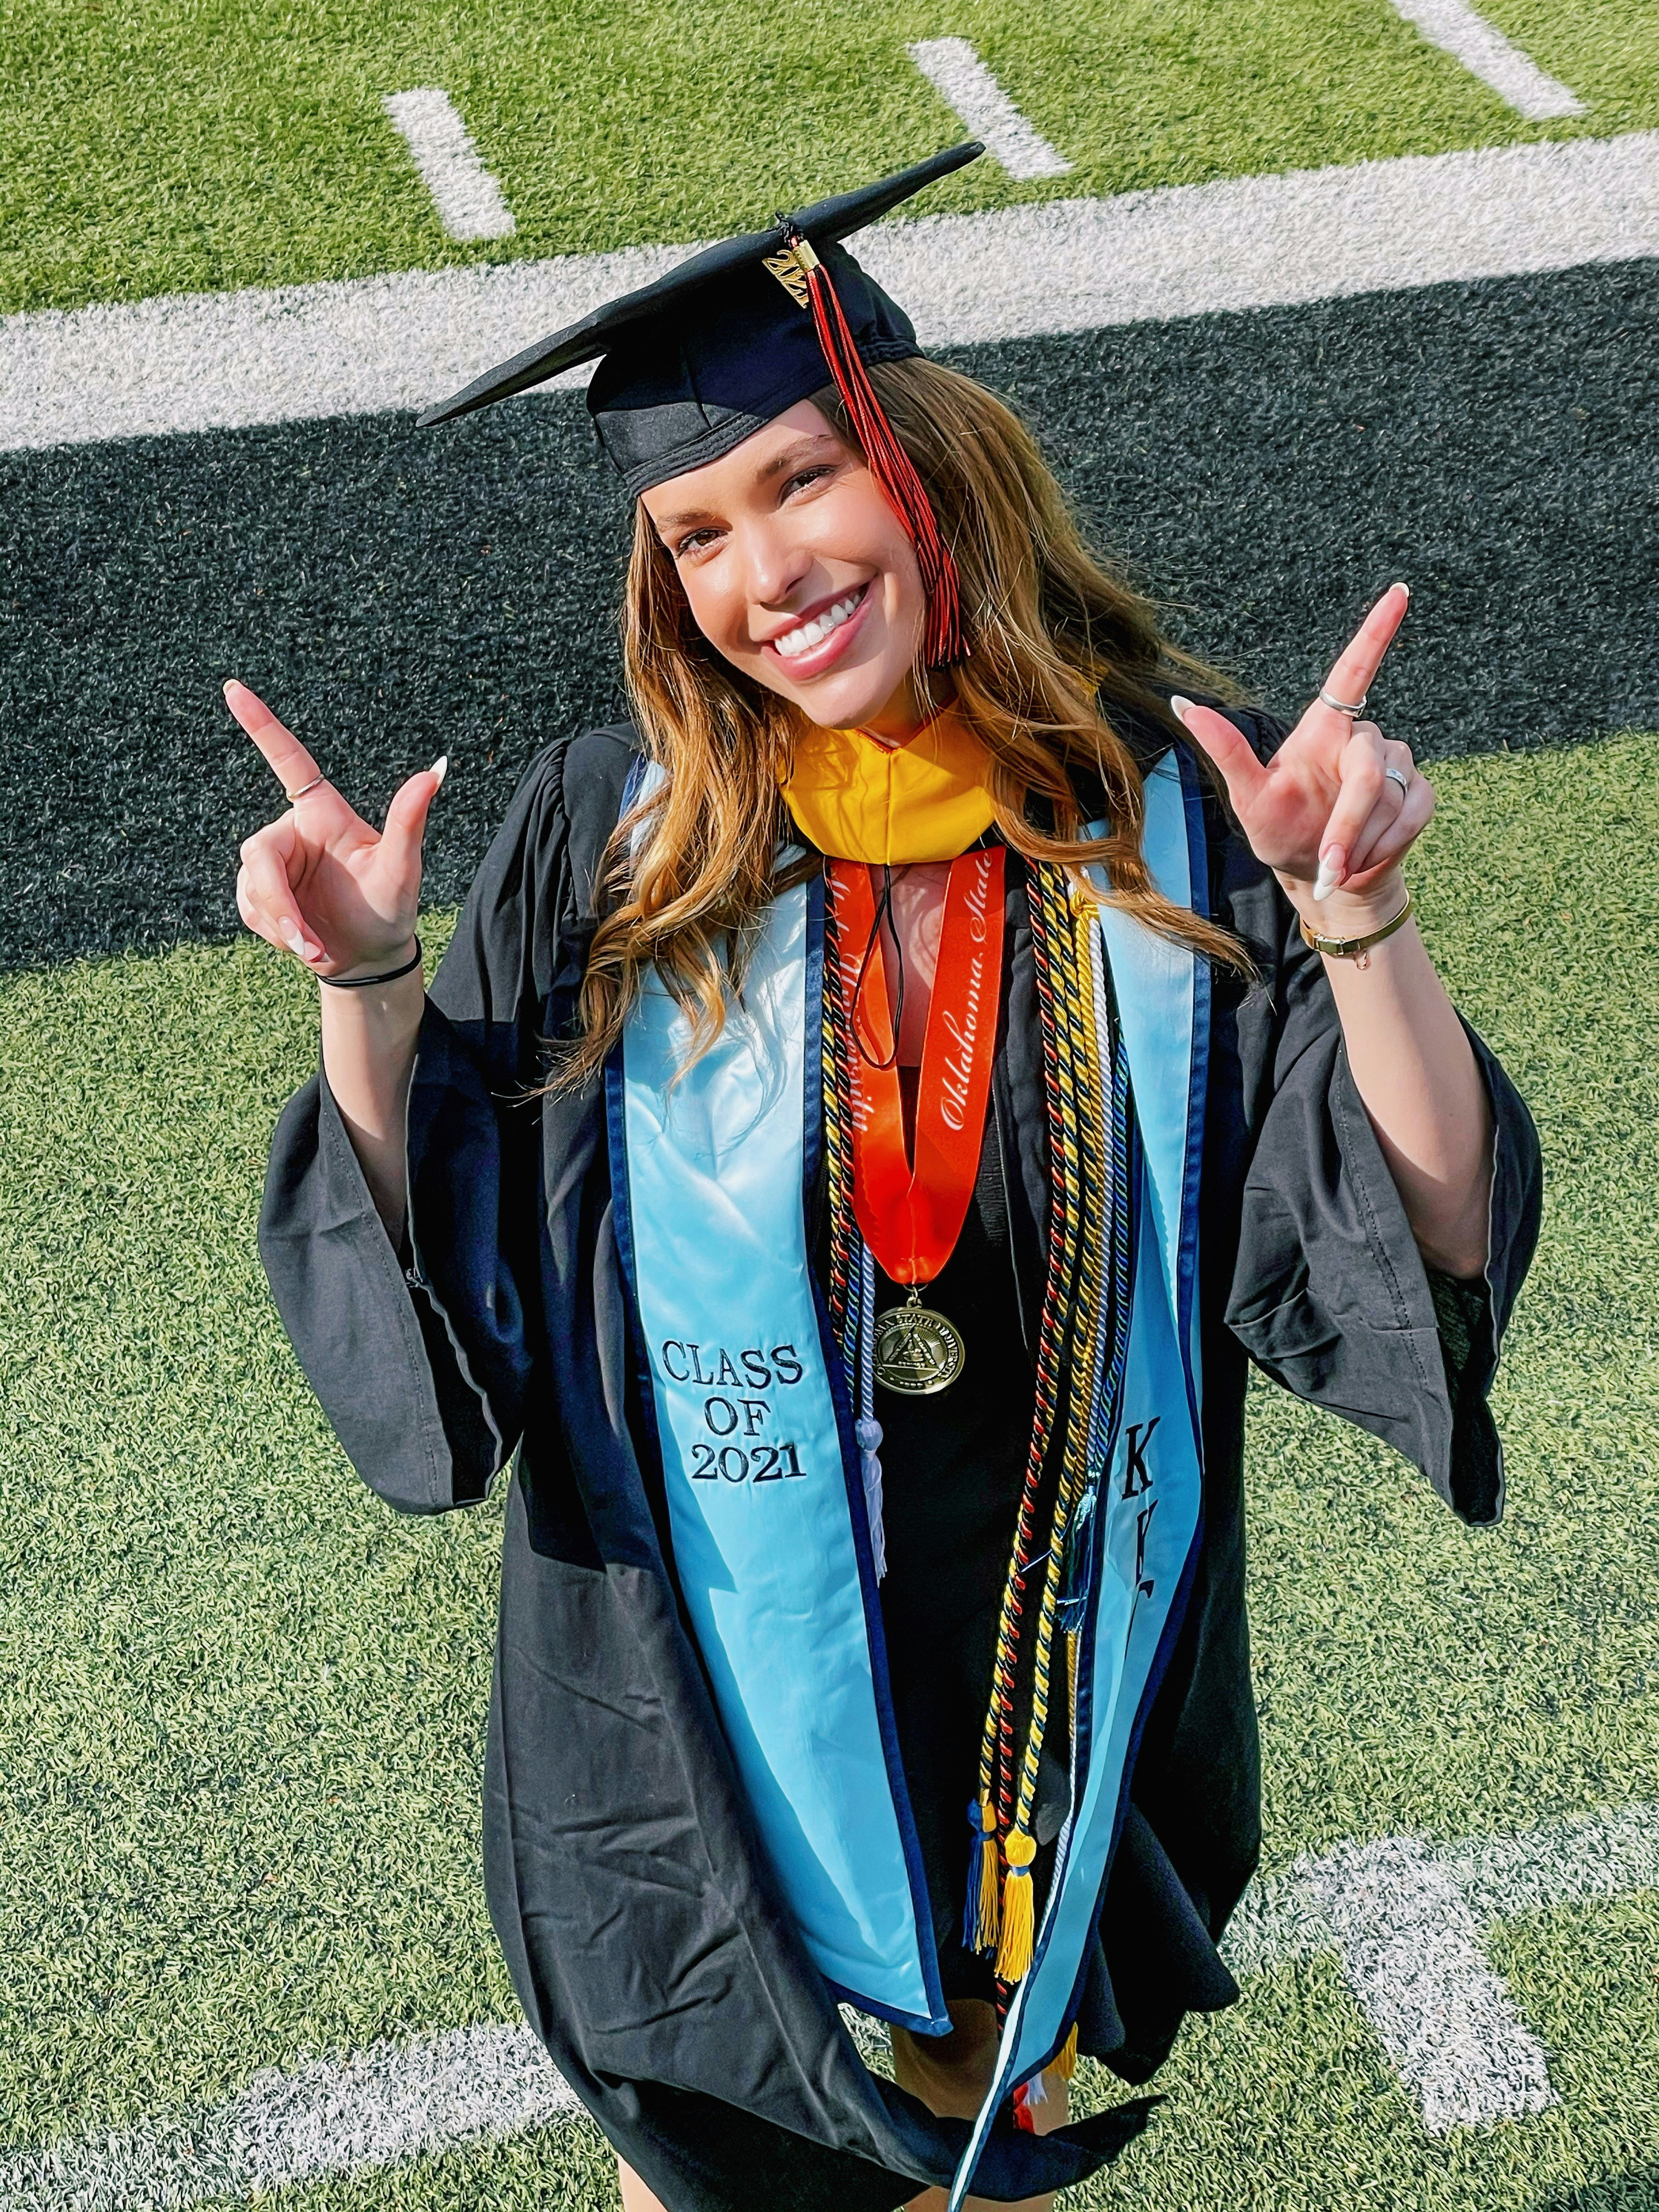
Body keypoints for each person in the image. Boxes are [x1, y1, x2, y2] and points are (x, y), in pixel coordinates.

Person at [231, 145, 1541, 2212]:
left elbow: (1422, 1248)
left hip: (1038, 1623)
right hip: (710, 1663)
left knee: (978, 2095)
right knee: (742, 2137)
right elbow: (441, 1290)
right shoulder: (609, 840)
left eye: (804, 481)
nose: (764, 574)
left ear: (934, 467)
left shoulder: (1174, 823)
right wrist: (371, 988)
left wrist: (1358, 924)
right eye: (696, 534)